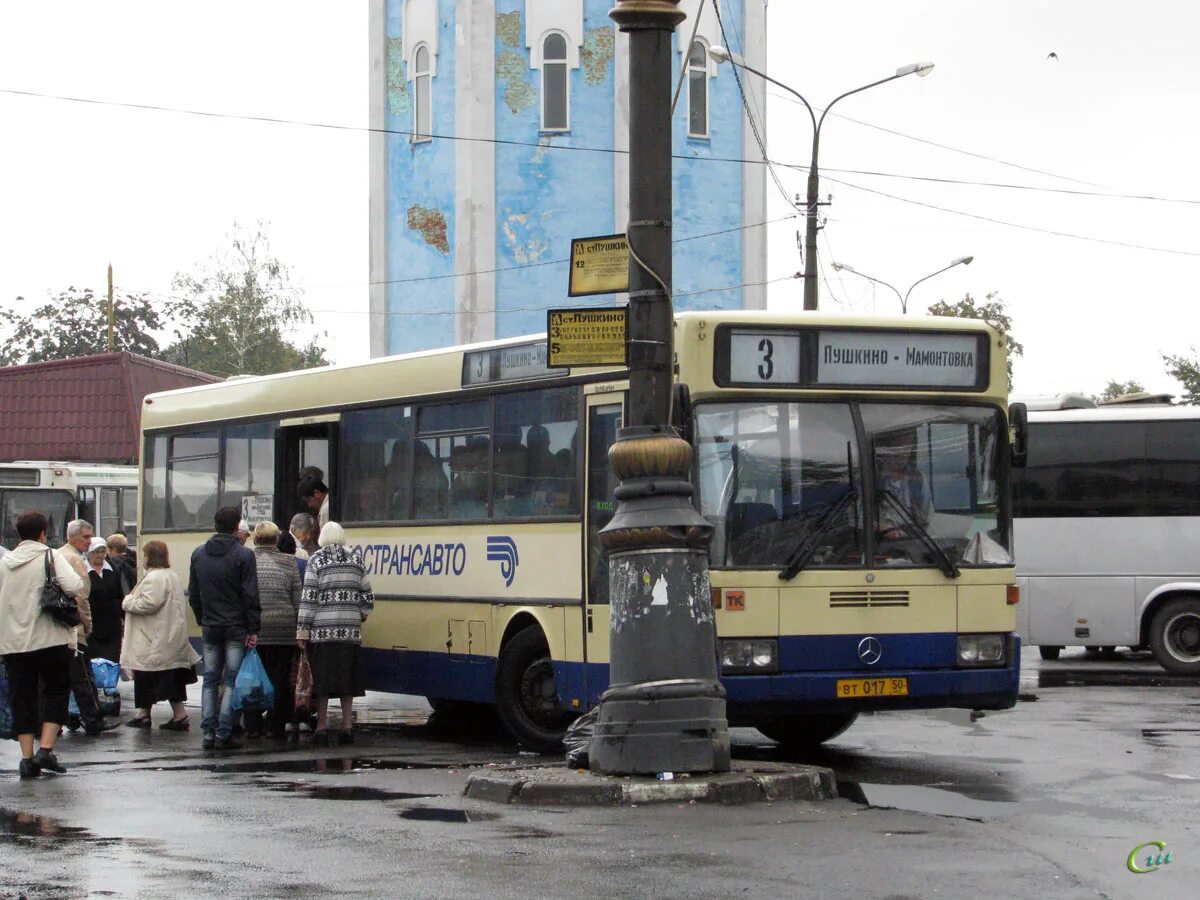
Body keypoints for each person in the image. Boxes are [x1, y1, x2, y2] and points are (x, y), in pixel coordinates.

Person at [0, 510, 85, 778]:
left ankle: (26, 759)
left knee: (21, 697)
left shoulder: (4, 563)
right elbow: (74, 585)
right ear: (42, 533)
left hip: (13, 643)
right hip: (50, 639)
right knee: (56, 690)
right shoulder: (51, 555)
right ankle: (45, 750)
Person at [188, 506, 260, 751]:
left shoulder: (199, 554)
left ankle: (208, 732)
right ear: (236, 526)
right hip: (236, 625)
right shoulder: (243, 555)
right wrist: (253, 627)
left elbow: (194, 594)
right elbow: (250, 595)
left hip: (210, 624)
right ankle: (224, 732)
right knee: (231, 679)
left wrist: (202, 618)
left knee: (209, 679)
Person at [297, 522, 373, 746]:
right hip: (349, 633)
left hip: (322, 633)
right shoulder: (356, 560)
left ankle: (321, 727)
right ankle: (347, 727)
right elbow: (367, 597)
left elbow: (309, 598)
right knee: (346, 682)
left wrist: (302, 630)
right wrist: (359, 615)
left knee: (322, 683)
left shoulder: (316, 560)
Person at [120, 540, 199, 730]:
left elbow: (148, 603)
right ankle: (151, 713)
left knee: (152, 677)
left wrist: (128, 601)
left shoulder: (155, 578)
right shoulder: (170, 575)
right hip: (167, 637)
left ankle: (162, 715)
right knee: (168, 679)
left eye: (144, 555)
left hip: (153, 638)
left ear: (150, 557)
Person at [248, 522, 302, 739]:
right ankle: (275, 725)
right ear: (276, 540)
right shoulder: (289, 562)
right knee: (279, 677)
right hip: (283, 629)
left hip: (255, 628)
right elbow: (297, 598)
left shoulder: (246, 559)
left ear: (255, 539)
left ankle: (252, 726)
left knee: (253, 676)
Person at [57, 520, 108, 735]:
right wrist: (87, 625)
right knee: (83, 677)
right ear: (73, 537)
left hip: (56, 628)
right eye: (86, 537)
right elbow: (82, 597)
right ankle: (93, 718)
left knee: (56, 678)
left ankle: (55, 720)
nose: (90, 542)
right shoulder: (76, 560)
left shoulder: (56, 554)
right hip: (73, 628)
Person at [875, 428, 932, 540]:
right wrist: (876, 526)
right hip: (876, 543)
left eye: (906, 448)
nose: (902, 454)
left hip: (910, 542)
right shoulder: (871, 480)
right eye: (898, 447)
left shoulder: (918, 480)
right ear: (886, 450)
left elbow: (927, 519)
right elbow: (857, 519)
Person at [84, 537, 125, 663]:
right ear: (89, 553)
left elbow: (120, 594)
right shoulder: (83, 570)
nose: (100, 555)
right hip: (93, 625)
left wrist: (123, 617)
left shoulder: (113, 569)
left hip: (112, 625)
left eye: (102, 552)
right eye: (96, 552)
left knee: (111, 661)